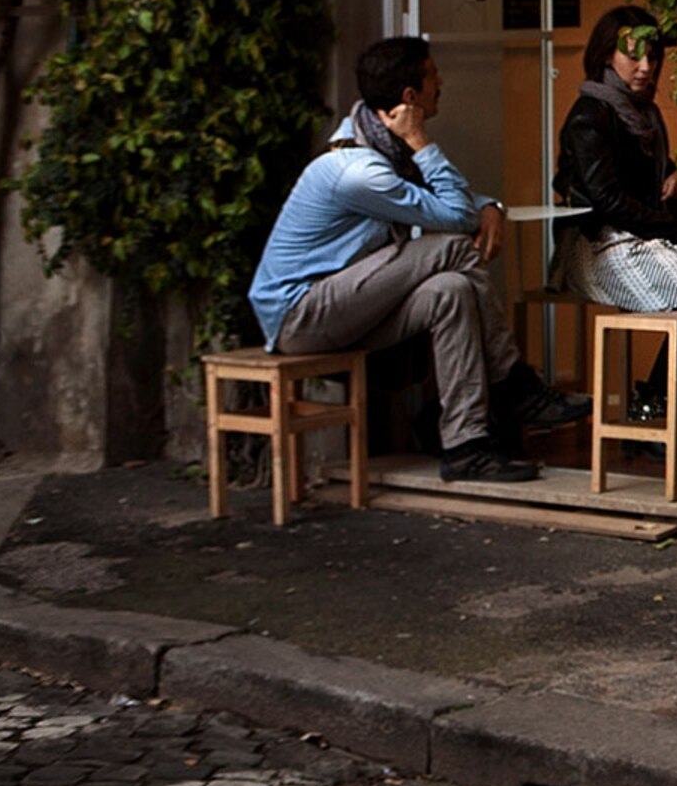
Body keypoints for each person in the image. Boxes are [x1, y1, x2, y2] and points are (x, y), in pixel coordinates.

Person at [248, 36, 590, 483]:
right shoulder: (359, 171)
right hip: (303, 315)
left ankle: (465, 444)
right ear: (410, 98)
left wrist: (491, 206)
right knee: (451, 248)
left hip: (346, 303)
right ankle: (514, 384)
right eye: (433, 75)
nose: (441, 81)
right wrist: (420, 140)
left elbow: (439, 200)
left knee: (453, 290)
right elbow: (452, 215)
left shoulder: (378, 151)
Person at [553, 4, 677, 420]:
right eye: (633, 56)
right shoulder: (589, 116)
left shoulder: (646, 114)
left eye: (654, 56)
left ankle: (675, 399)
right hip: (596, 246)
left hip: (644, 239)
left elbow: (640, 179)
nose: (645, 67)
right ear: (608, 54)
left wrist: (673, 172)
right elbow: (608, 202)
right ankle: (661, 402)